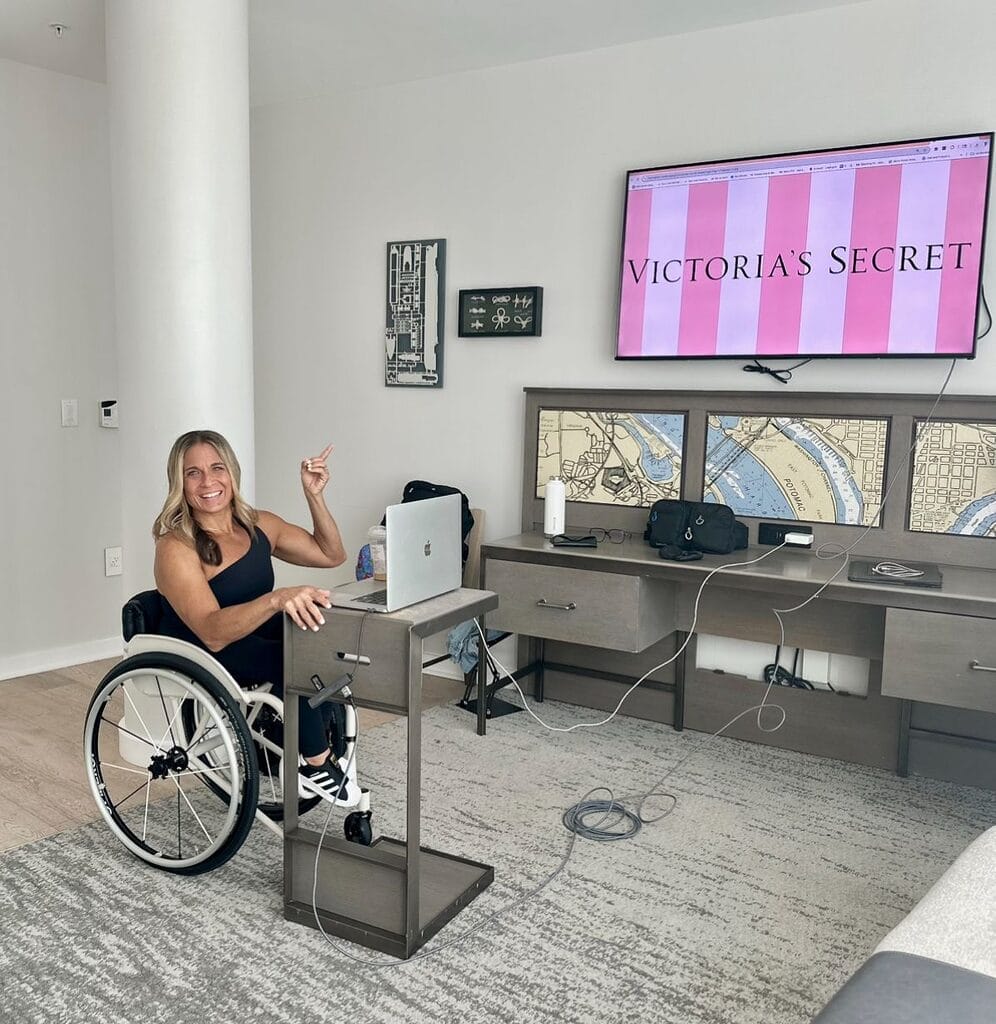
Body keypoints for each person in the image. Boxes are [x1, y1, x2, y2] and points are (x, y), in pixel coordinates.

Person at [153, 428, 353, 802]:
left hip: (252, 632)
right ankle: (315, 764)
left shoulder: (260, 524)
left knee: (319, 631)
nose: (208, 481)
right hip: (206, 645)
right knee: (289, 656)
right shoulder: (176, 546)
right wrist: (277, 600)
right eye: (193, 473)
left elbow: (331, 554)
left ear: (233, 472)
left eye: (217, 468)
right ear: (179, 482)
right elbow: (211, 631)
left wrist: (314, 496)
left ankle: (303, 734)